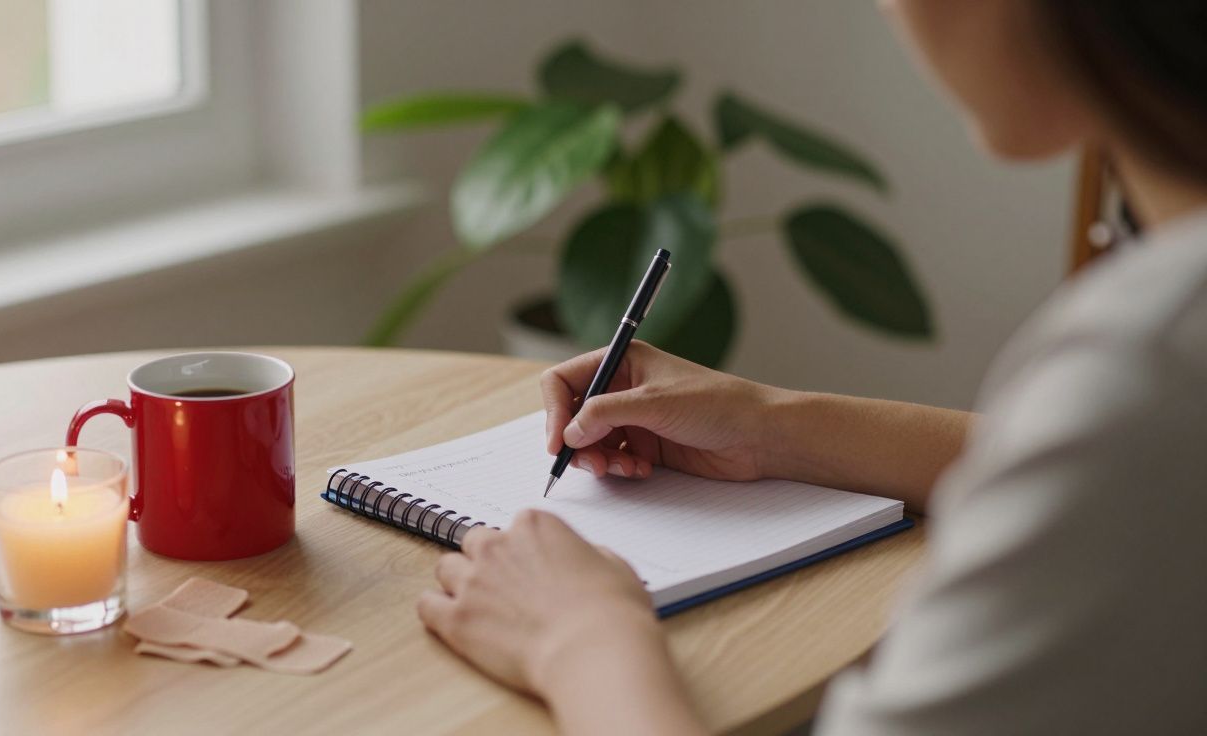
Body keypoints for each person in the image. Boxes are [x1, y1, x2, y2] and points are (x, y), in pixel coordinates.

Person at [416, 1, 1207, 733]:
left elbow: (1127, 449)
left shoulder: (1152, 362)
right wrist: (769, 426)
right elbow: (1117, 471)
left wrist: (581, 639)